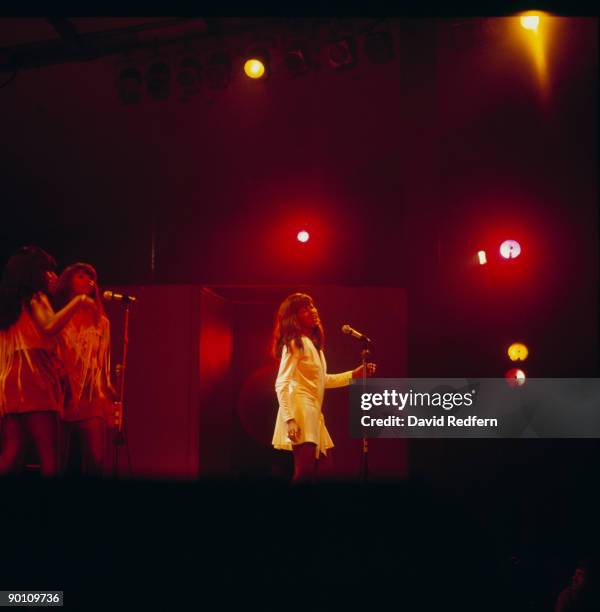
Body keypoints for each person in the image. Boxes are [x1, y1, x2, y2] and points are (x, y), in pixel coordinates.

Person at [0, 246, 93, 477]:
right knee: (51, 457)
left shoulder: (9, 306)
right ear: (34, 273)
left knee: (12, 452)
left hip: (11, 379)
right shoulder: (36, 297)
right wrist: (79, 300)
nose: (53, 275)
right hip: (35, 377)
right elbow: (50, 326)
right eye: (47, 270)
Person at [271, 292, 376, 483]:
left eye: (312, 306)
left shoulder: (314, 346)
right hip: (300, 410)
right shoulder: (296, 342)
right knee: (304, 472)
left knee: (325, 470)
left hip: (313, 412)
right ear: (294, 318)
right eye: (305, 310)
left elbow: (323, 381)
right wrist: (290, 419)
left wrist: (354, 374)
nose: (313, 311)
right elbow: (281, 383)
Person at [53, 263, 115, 476]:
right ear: (69, 281)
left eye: (90, 277)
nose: (87, 280)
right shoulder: (58, 318)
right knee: (57, 461)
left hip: (91, 396)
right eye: (80, 276)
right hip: (63, 395)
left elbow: (103, 360)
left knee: (96, 460)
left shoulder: (102, 323)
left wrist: (108, 389)